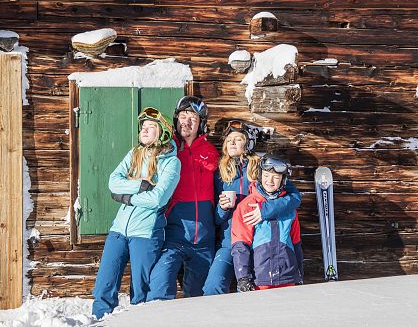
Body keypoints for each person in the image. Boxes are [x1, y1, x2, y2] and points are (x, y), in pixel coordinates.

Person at [92, 107, 181, 320]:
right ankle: (98, 319)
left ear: (163, 133)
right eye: (143, 127)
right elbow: (113, 182)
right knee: (105, 281)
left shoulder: (172, 162)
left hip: (146, 232)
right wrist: (140, 184)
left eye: (151, 127)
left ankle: (138, 321)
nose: (144, 130)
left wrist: (127, 197)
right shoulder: (134, 153)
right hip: (118, 228)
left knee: (140, 287)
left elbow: (158, 199)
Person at [203, 121, 302, 295]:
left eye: (238, 139)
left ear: (248, 143)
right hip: (230, 242)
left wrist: (265, 211)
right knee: (213, 286)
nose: (232, 142)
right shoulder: (219, 173)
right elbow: (216, 219)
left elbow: (293, 197)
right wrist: (223, 208)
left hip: (260, 240)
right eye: (229, 139)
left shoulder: (261, 167)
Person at [147, 96, 219, 300]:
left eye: (192, 118)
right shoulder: (167, 149)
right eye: (182, 116)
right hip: (174, 236)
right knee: (159, 286)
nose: (186, 122)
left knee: (199, 296)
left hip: (204, 240)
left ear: (201, 124)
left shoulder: (211, 152)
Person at [231, 154, 304, 292]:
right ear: (259, 175)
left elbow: (296, 243)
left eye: (276, 177)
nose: (269, 180)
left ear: (283, 180)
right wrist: (243, 278)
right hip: (259, 280)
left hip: (288, 278)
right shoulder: (247, 206)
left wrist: (299, 273)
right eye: (266, 175)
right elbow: (240, 245)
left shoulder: (288, 208)